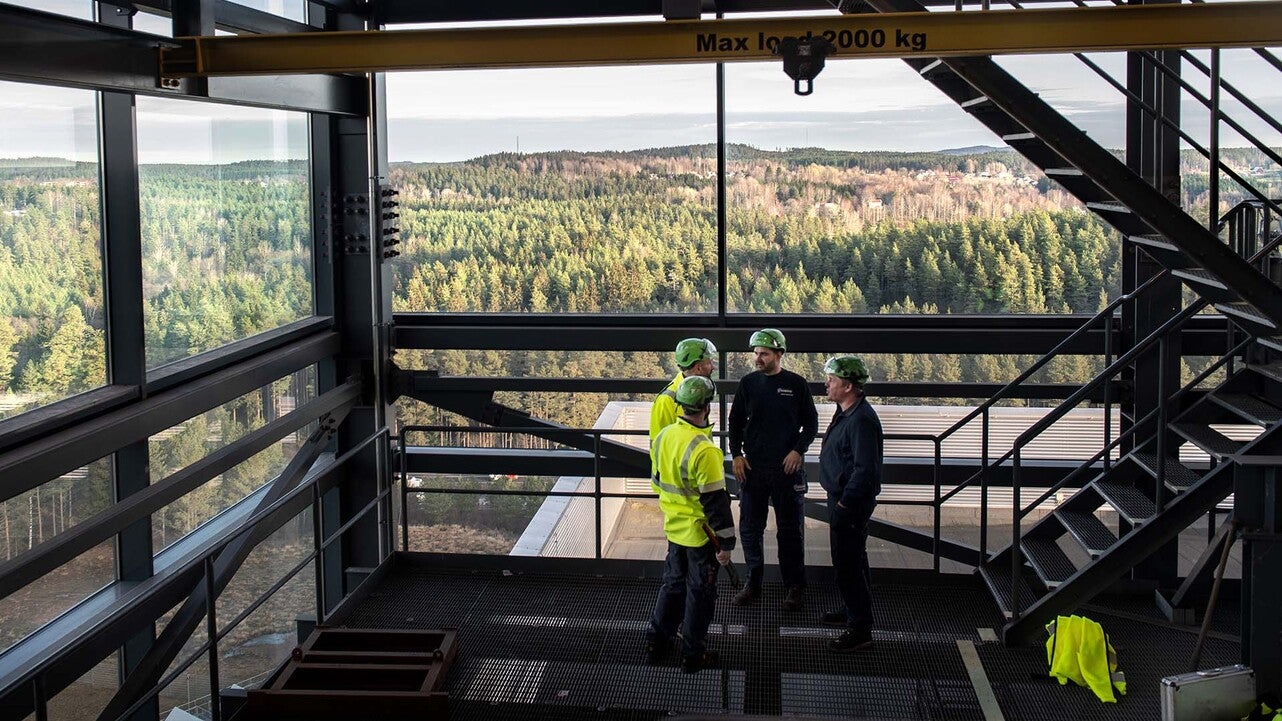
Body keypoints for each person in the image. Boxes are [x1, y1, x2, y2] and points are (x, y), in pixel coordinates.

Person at [645, 375, 737, 673]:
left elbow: (658, 482)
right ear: (707, 407)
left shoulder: (664, 437)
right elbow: (716, 505)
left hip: (674, 529)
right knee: (700, 594)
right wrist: (725, 544)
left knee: (672, 585)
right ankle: (692, 654)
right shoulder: (705, 451)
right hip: (701, 537)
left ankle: (657, 640)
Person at [727, 328, 818, 611]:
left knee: (790, 531)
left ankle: (794, 586)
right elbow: (735, 423)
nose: (758, 358)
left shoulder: (796, 384)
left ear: (779, 354)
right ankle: (753, 583)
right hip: (753, 469)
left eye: (764, 353)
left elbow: (811, 424)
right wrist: (737, 455)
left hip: (786, 471)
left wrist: (797, 450)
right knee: (750, 529)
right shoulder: (748, 384)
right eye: (756, 353)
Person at [818, 355, 882, 653]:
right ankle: (854, 610)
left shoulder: (861, 420)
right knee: (854, 560)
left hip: (849, 503)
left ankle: (860, 629)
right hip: (843, 499)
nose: (826, 384)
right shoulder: (846, 411)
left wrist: (844, 506)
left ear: (847, 385)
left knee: (847, 565)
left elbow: (864, 469)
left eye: (831, 380)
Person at [650, 337, 717, 447]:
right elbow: (658, 447)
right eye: (709, 362)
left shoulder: (699, 390)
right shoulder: (666, 400)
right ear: (699, 368)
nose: (713, 367)